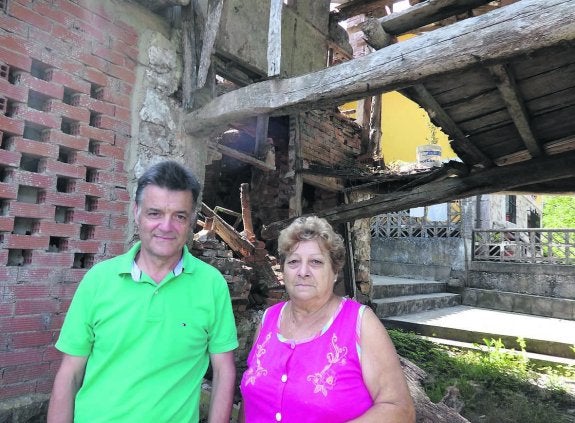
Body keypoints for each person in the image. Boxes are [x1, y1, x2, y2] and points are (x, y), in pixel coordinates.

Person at [47, 161, 238, 423]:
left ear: (191, 220)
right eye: (154, 213)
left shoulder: (211, 285)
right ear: (136, 213)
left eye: (179, 216)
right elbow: (70, 372)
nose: (166, 226)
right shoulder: (98, 281)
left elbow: (224, 371)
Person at [239, 216, 415, 422]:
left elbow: (400, 409)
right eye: (294, 261)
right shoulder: (268, 320)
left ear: (334, 272)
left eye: (316, 262)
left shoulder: (360, 323)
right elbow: (249, 400)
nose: (303, 272)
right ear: (284, 270)